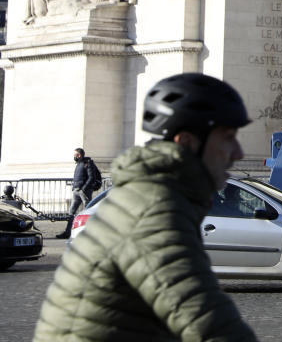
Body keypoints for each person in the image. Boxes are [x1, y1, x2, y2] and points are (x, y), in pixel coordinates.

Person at [34, 73, 258, 341]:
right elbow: (205, 320)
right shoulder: (154, 210)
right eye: (228, 137)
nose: (239, 152)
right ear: (187, 142)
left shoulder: (156, 194)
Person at [55, 147, 101, 239]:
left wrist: (83, 189)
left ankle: (91, 232)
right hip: (76, 190)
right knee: (71, 212)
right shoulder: (79, 164)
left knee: (88, 210)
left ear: (79, 155)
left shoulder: (88, 163)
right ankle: (68, 232)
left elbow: (91, 177)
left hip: (83, 191)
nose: (74, 157)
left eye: (75, 155)